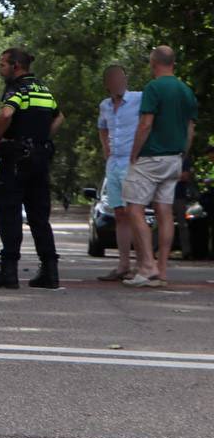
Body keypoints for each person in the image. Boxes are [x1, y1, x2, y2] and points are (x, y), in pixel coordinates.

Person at [0, 48, 64, 289]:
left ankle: (9, 271)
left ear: (16, 66)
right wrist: (42, 138)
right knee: (40, 217)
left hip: (16, 159)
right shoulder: (43, 88)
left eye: (3, 65)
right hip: (40, 158)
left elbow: (7, 113)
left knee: (9, 214)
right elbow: (60, 117)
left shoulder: (17, 88)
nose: (0, 70)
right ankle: (50, 271)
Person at [122, 46, 199, 288]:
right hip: (174, 158)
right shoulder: (186, 91)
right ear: (173, 63)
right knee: (164, 212)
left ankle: (147, 266)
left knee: (134, 210)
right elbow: (190, 129)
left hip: (151, 157)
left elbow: (146, 124)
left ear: (153, 63)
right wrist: (181, 155)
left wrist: (134, 153)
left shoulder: (153, 88)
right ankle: (162, 269)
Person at [95, 65, 142, 281]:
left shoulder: (138, 99)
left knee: (135, 214)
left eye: (121, 78)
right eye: (114, 79)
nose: (118, 83)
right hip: (113, 164)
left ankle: (143, 264)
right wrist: (106, 149)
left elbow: (152, 121)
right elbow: (102, 127)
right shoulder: (104, 105)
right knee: (120, 215)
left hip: (133, 163)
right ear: (108, 84)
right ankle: (123, 264)